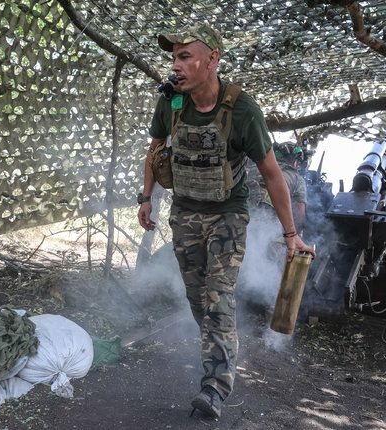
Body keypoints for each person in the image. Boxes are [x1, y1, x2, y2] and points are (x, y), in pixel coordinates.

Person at [137, 23, 315, 419]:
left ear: (212, 60)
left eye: (185, 56)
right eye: (173, 57)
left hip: (227, 216)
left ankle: (215, 387)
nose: (176, 65)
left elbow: (271, 174)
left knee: (218, 298)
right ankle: (222, 346)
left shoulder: (243, 111)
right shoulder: (170, 102)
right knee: (197, 298)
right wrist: (146, 197)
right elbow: (155, 150)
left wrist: (291, 235)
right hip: (184, 213)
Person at [247, 142, 308, 234]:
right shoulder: (297, 178)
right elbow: (299, 213)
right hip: (267, 217)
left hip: (240, 210)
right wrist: (296, 235)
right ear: (295, 162)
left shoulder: (254, 167)